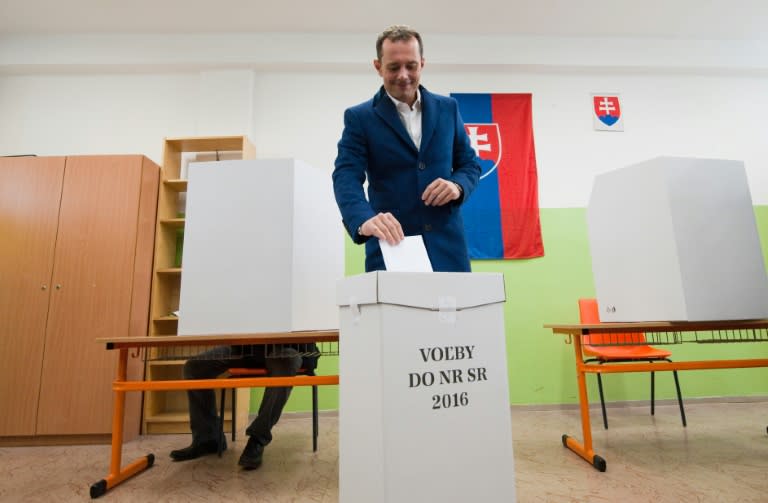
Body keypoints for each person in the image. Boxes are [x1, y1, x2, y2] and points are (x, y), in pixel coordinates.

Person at [333, 25, 481, 273]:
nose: (403, 75)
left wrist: (457, 186)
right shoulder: (359, 117)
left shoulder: (448, 108)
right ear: (378, 66)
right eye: (393, 67)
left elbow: (469, 164)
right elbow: (346, 175)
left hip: (449, 251)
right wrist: (363, 219)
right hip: (392, 249)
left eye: (411, 66)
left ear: (422, 63)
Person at [169, 344, 317, 470]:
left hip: (285, 349)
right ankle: (208, 439)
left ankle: (257, 439)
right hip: (246, 349)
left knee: (287, 360)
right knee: (195, 367)